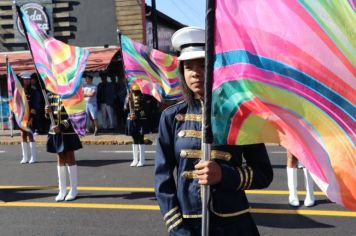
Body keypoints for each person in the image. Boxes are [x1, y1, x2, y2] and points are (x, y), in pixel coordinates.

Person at [154, 27, 273, 235]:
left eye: (202, 64)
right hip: (188, 225)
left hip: (234, 224)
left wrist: (224, 175)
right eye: (188, 66)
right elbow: (162, 178)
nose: (195, 73)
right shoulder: (171, 117)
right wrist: (176, 226)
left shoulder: (240, 114)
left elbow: (264, 174)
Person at [45, 92, 82, 202]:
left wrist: (61, 126)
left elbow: (75, 115)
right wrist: (47, 112)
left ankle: (74, 189)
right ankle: (62, 190)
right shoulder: (50, 95)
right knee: (60, 158)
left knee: (70, 157)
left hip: (68, 131)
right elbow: (49, 116)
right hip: (55, 131)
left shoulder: (71, 94)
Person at [124, 84, 147, 167]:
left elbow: (145, 110)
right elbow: (125, 108)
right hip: (131, 120)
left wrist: (137, 116)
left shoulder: (142, 97)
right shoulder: (128, 96)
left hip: (140, 121)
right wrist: (127, 102)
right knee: (134, 139)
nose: (134, 92)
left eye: (135, 91)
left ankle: (142, 160)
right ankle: (135, 159)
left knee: (140, 139)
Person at [19, 71, 39, 164]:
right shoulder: (20, 90)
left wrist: (31, 118)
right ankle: (25, 157)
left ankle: (33, 157)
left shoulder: (33, 91)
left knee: (30, 135)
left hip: (30, 117)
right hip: (21, 116)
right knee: (23, 135)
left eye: (28, 79)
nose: (26, 81)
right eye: (25, 79)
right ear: (22, 80)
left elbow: (35, 105)